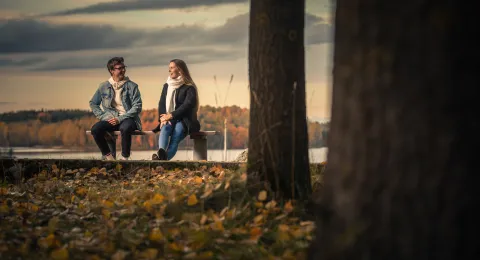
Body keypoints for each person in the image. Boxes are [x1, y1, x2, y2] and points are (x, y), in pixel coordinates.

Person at [89, 57, 142, 160]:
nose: (123, 70)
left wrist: (120, 119)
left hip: (128, 118)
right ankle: (109, 158)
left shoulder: (132, 86)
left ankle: (124, 158)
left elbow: (137, 106)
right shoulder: (103, 86)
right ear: (111, 71)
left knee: (125, 128)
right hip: (110, 119)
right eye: (119, 68)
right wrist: (104, 116)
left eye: (123, 67)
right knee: (95, 129)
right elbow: (93, 103)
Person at [152, 59, 200, 160]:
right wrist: (162, 118)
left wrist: (171, 115)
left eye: (172, 67)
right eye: (169, 68)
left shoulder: (189, 87)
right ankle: (161, 154)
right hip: (169, 119)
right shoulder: (167, 85)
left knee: (175, 136)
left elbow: (187, 105)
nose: (169, 70)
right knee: (165, 128)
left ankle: (160, 160)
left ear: (180, 69)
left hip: (185, 120)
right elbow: (161, 103)